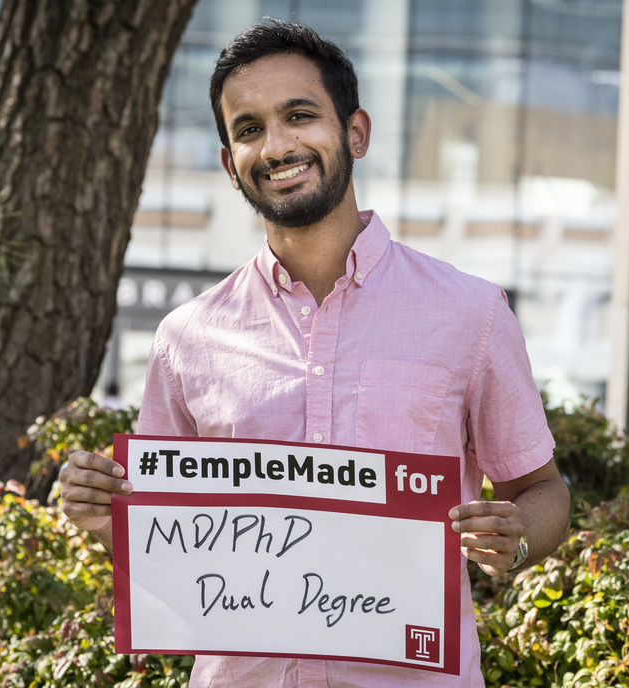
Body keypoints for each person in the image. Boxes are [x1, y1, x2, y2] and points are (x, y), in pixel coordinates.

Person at [60, 19, 570, 687]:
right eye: (248, 129)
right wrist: (106, 520)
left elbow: (542, 490)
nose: (275, 145)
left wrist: (517, 535)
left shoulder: (469, 314)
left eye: (299, 115)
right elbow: (170, 540)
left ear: (354, 132)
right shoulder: (187, 337)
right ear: (228, 162)